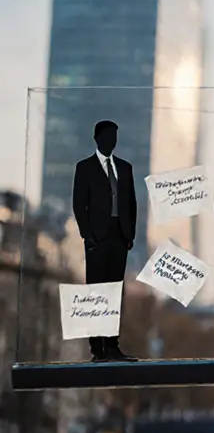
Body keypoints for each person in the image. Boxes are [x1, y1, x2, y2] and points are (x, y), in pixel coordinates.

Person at [72, 120, 139, 362]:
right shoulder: (85, 168)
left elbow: (131, 204)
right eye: (109, 136)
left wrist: (129, 235)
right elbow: (79, 204)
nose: (113, 141)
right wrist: (87, 236)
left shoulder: (125, 168)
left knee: (114, 292)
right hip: (97, 238)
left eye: (115, 137)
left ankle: (112, 345)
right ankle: (96, 349)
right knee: (96, 291)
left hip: (119, 236)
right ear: (97, 138)